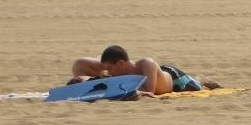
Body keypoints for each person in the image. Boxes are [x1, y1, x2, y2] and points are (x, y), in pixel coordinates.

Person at [70, 45, 216, 96]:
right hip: (155, 73)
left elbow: (150, 91)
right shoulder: (116, 69)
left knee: (196, 86)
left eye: (110, 69)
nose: (109, 72)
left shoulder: (146, 64)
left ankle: (202, 79)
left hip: (175, 80)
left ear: (121, 63)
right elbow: (79, 66)